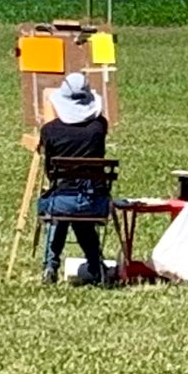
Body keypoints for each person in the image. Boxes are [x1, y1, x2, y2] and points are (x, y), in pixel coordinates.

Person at [23, 73, 115, 285]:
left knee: (62, 208)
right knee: (75, 211)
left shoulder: (50, 131)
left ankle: (50, 265)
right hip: (95, 201)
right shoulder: (99, 127)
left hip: (61, 200)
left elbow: (48, 171)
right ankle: (95, 266)